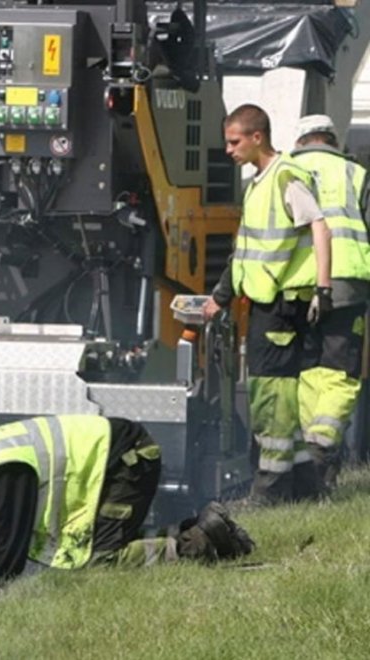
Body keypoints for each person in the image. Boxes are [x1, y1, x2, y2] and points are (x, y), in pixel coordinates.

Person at [0, 415, 255, 616]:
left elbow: (6, 551)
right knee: (106, 542)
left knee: (100, 559)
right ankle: (204, 525)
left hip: (128, 461)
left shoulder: (1, 474)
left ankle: (198, 543)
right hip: (118, 458)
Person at [203, 104, 332, 505]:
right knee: (276, 400)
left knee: (270, 398)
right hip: (263, 303)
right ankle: (304, 487)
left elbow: (320, 226)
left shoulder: (285, 177)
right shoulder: (259, 182)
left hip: (281, 307)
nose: (228, 150)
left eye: (234, 141)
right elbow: (245, 253)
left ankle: (269, 492)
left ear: (257, 137)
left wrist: (322, 289)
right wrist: (219, 297)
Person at [291, 115, 370, 491]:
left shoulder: (286, 171)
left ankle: (311, 447)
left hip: (299, 287)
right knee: (340, 371)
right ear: (332, 139)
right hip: (347, 287)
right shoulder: (354, 174)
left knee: (308, 369)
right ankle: (323, 449)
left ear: (302, 139)